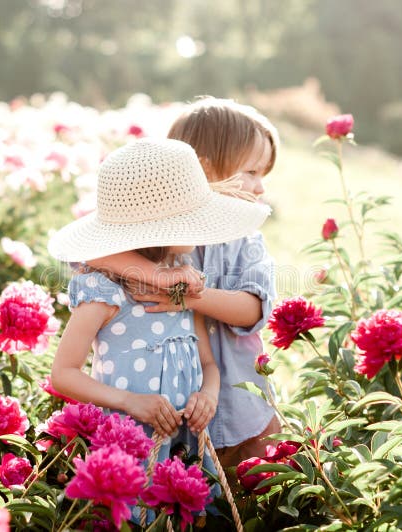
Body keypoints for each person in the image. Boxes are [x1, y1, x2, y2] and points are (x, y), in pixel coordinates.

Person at [48, 138, 270, 468]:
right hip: (127, 448)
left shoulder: (183, 284)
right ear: (160, 227)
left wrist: (208, 396)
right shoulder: (103, 290)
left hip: (186, 446)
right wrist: (129, 401)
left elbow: (207, 362)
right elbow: (63, 373)